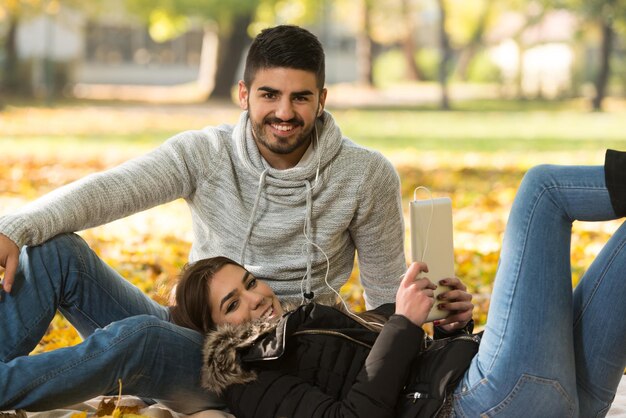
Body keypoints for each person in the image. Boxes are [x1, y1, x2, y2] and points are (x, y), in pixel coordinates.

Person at [0, 25, 406, 412]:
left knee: (142, 338)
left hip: (270, 363)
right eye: (270, 94)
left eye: (300, 97)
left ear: (322, 99)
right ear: (244, 94)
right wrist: (13, 229)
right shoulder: (207, 153)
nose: (284, 112)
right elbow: (110, 190)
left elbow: (388, 301)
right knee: (56, 251)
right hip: (192, 326)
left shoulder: (365, 175)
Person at [172, 155, 626, 418]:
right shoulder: (249, 380)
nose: (256, 299)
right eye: (232, 304)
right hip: (478, 405)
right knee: (542, 192)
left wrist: (451, 329)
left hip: (556, 402)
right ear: (212, 327)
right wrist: (404, 324)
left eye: (250, 282)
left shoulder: (301, 325)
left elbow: (413, 378)